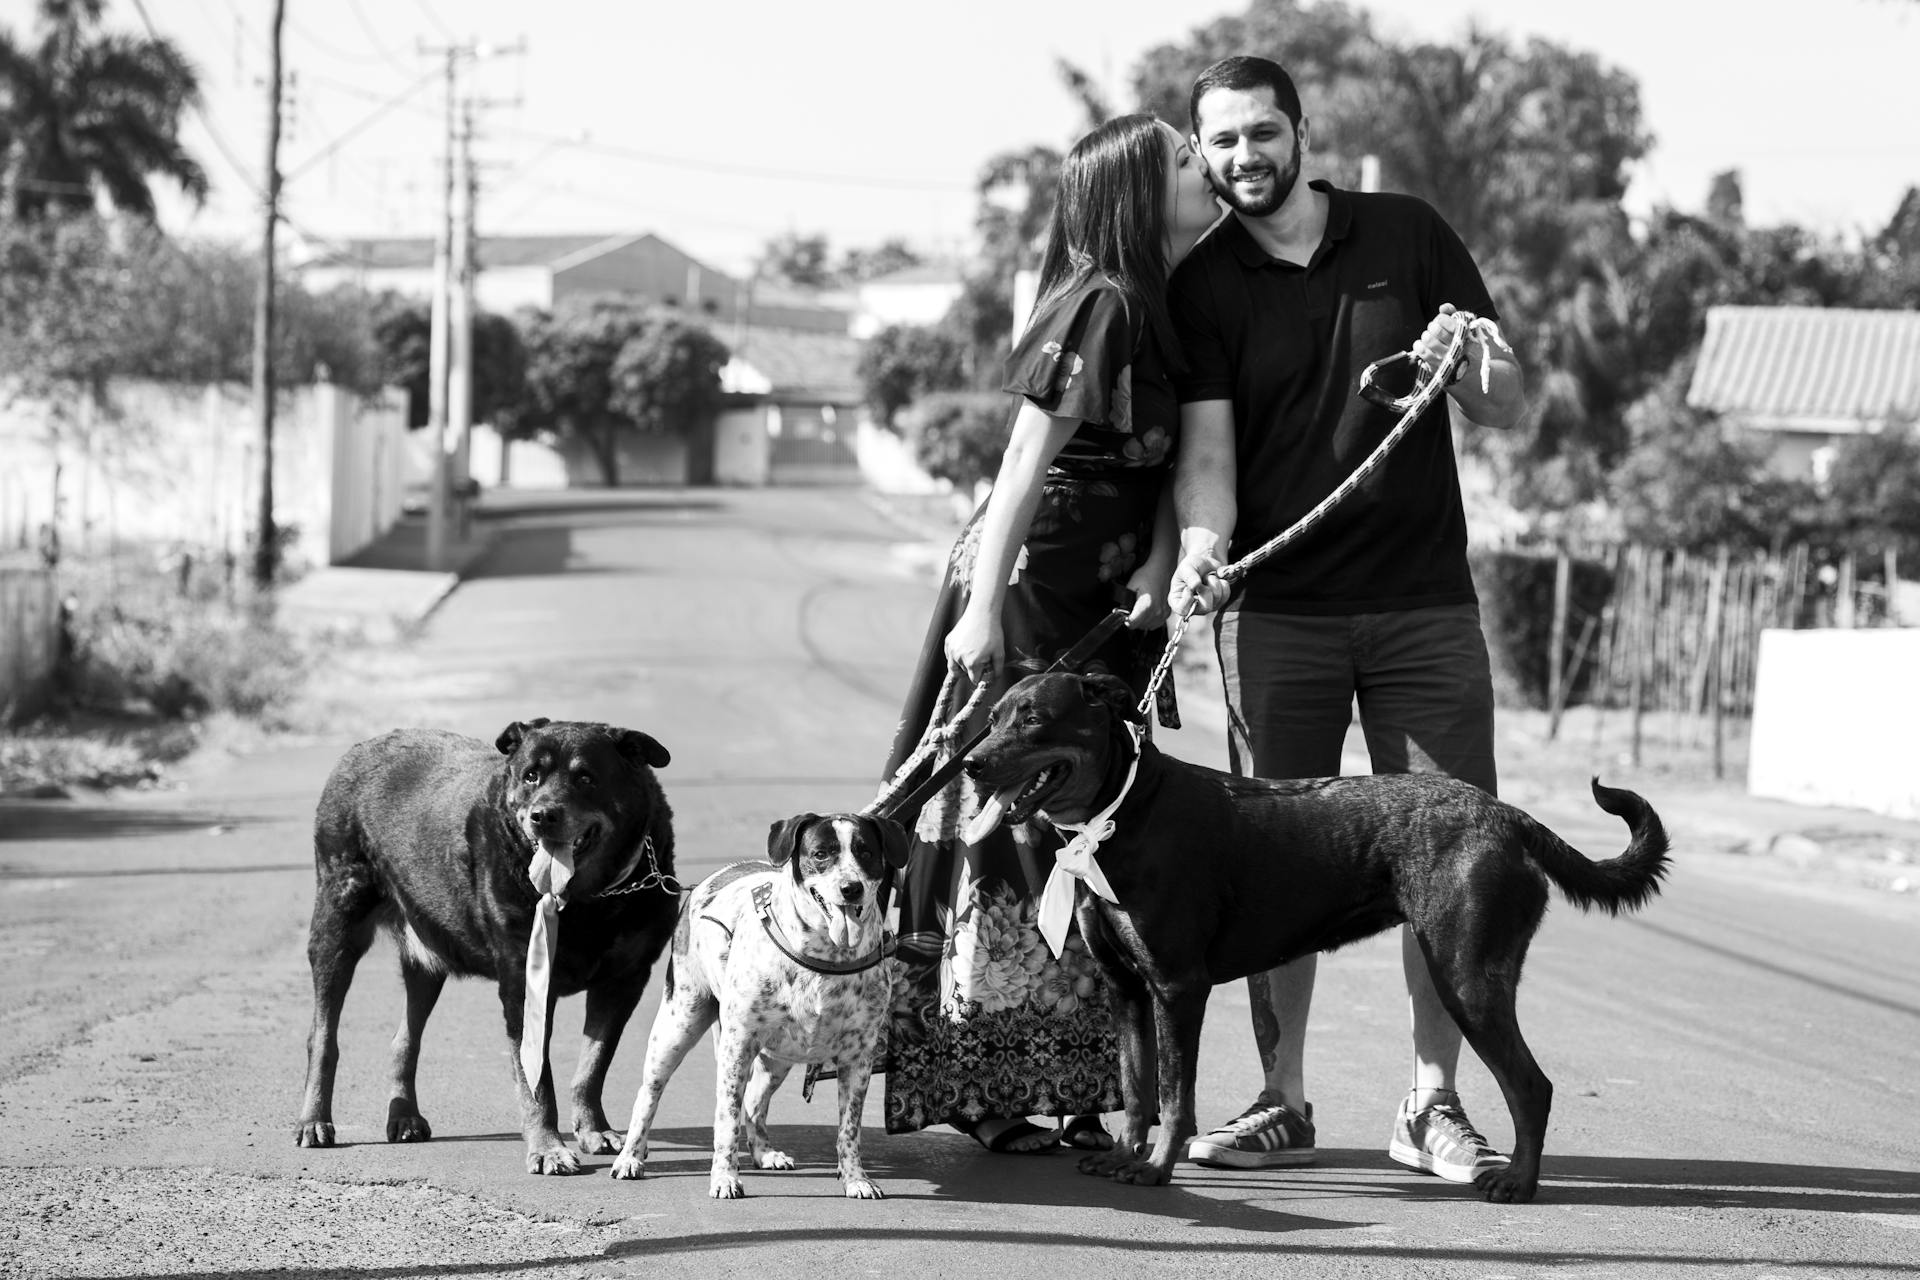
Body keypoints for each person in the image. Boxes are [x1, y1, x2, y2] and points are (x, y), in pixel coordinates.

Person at [1164, 55, 1528, 1184]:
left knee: (1446, 857)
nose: (1243, 159)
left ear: (1301, 132)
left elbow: (1504, 392)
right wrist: (1202, 547)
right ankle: (1281, 1096)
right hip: (1278, 618)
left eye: (1261, 134)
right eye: (1220, 143)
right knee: (1268, 865)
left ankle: (1431, 1100)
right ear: (1203, 150)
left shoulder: (1407, 234)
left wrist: (1471, 363)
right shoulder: (1206, 281)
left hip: (1423, 607)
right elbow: (1210, 456)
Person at [880, 112, 1222, 1154]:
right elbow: (1024, 465)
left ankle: (1071, 1083)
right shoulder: (1103, 302)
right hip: (1032, 591)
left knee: (1089, 830)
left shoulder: (1160, 303)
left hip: (1106, 601)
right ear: (1131, 190)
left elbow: (1161, 468)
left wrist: (1165, 564)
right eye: (1179, 158)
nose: (1203, 167)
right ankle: (990, 1088)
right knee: (1014, 825)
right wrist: (982, 609)